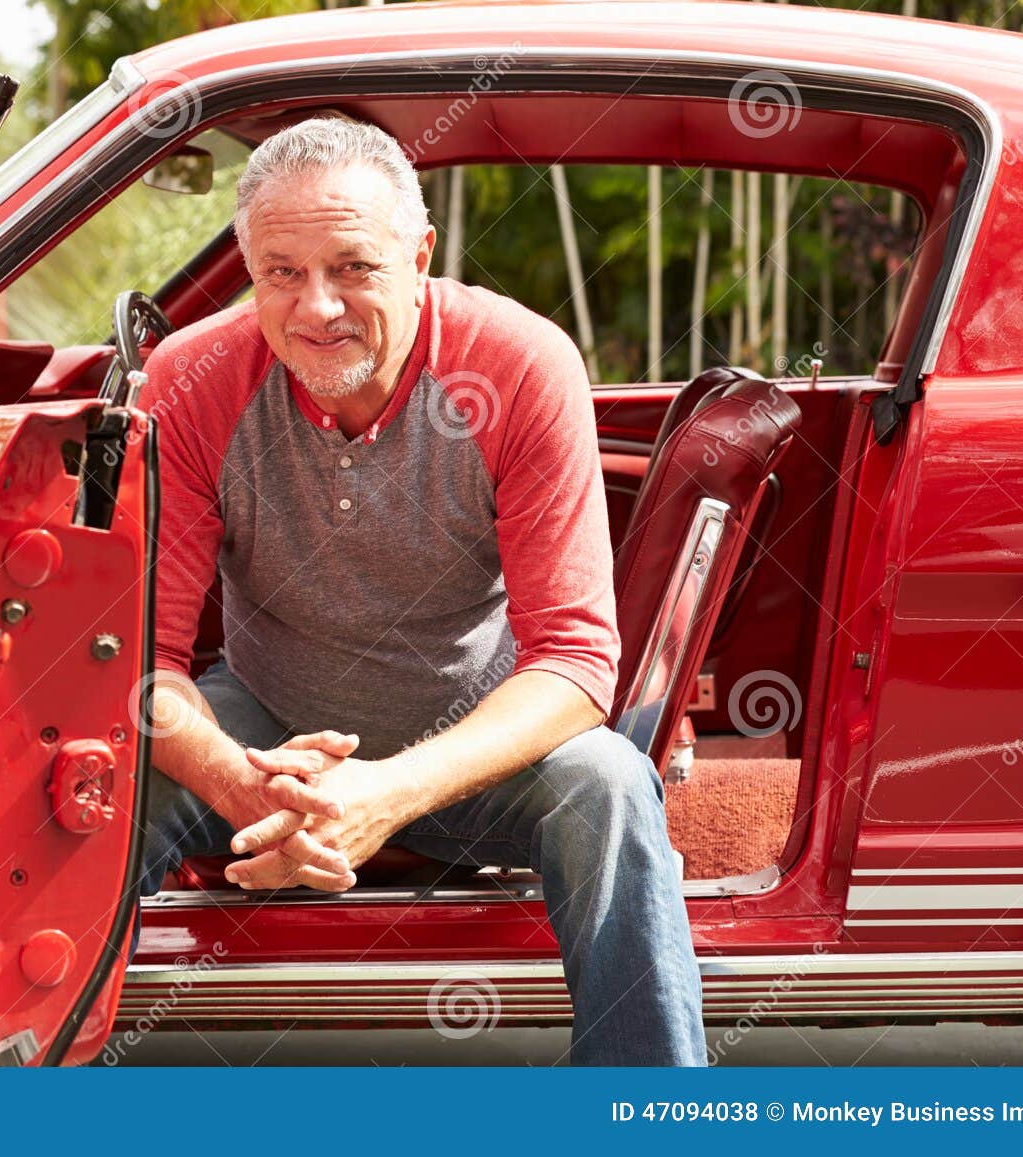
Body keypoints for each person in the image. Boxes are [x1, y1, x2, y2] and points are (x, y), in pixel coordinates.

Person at [134, 118, 704, 1066]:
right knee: (94, 778)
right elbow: (137, 661)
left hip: (473, 732)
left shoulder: (521, 363)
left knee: (608, 786)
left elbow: (575, 664)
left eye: (353, 266)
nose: (316, 308)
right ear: (249, 268)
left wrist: (384, 794)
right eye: (280, 272)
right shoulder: (189, 377)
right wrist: (240, 782)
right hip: (265, 721)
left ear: (420, 253)